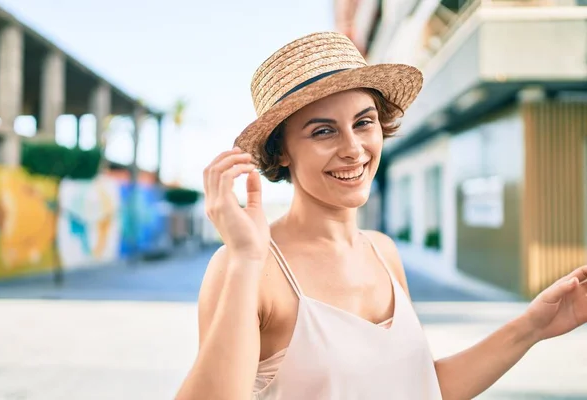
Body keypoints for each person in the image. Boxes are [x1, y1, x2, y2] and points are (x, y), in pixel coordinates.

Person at [175, 31, 587, 400]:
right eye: (323, 131)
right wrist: (246, 259)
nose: (353, 148)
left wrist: (534, 325)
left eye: (363, 122)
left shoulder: (382, 251)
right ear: (281, 151)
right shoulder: (246, 264)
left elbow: (421, 386)